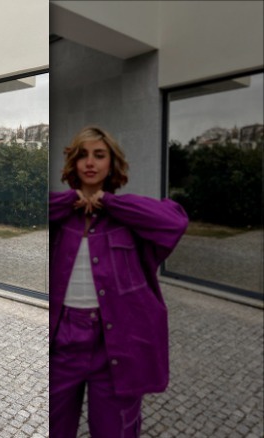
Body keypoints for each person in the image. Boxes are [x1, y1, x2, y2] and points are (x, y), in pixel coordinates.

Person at [49, 125, 188, 437]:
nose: (90, 162)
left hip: (115, 343)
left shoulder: (129, 219)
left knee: (116, 430)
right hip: (61, 342)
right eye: (82, 155)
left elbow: (175, 221)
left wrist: (108, 203)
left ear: (111, 163)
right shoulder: (60, 217)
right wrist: (71, 200)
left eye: (99, 155)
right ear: (73, 162)